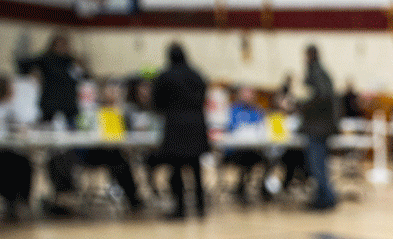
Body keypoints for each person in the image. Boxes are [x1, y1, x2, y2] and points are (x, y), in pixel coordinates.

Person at [152, 43, 210, 219]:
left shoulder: (165, 76)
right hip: (196, 125)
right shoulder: (196, 75)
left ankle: (180, 209)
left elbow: (157, 102)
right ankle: (200, 207)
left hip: (175, 125)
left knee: (176, 169)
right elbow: (203, 96)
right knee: (196, 168)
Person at [80, 81, 143, 211]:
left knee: (119, 158)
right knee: (118, 160)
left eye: (117, 90)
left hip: (117, 151)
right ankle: (132, 197)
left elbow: (129, 134)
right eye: (110, 90)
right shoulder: (93, 111)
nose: (114, 93)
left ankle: (132, 197)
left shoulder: (124, 111)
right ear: (102, 92)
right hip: (95, 152)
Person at [298, 45, 338, 211]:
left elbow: (321, 98)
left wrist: (302, 105)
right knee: (319, 164)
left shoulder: (317, 73)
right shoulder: (321, 72)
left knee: (317, 165)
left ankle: (326, 198)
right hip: (321, 127)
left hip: (318, 127)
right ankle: (324, 196)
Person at [17, 34, 82, 126]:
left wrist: (79, 66)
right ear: (53, 46)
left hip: (68, 103)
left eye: (64, 45)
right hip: (50, 102)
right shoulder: (46, 59)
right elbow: (24, 65)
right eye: (59, 45)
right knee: (46, 129)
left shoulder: (71, 61)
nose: (62, 48)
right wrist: (32, 75)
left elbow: (82, 77)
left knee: (72, 128)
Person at [223, 85, 269, 204]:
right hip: (236, 150)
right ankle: (241, 188)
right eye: (246, 94)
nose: (248, 97)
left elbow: (262, 128)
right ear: (239, 95)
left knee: (268, 159)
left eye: (251, 94)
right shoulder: (232, 110)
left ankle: (264, 188)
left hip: (253, 148)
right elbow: (230, 128)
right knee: (245, 158)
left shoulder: (257, 111)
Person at [0, 76, 34, 220]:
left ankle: (20, 202)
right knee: (11, 162)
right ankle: (11, 201)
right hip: (3, 151)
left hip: (11, 149)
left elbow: (23, 124)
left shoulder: (11, 107)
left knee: (24, 162)